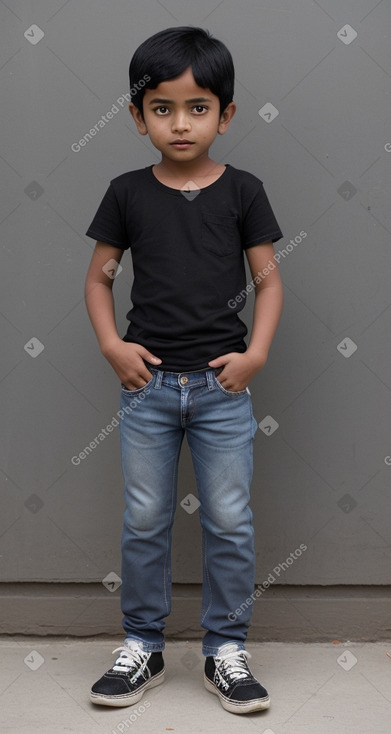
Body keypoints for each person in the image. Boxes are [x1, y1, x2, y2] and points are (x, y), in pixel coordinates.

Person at [84, 26, 283, 715]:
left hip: (222, 392)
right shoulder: (126, 192)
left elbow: (268, 282)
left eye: (197, 106)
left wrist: (253, 355)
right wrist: (114, 345)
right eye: (161, 107)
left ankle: (225, 649)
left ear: (225, 115)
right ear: (138, 117)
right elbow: (98, 279)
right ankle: (142, 643)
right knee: (144, 518)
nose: (179, 121)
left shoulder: (243, 192)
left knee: (229, 517)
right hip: (148, 392)